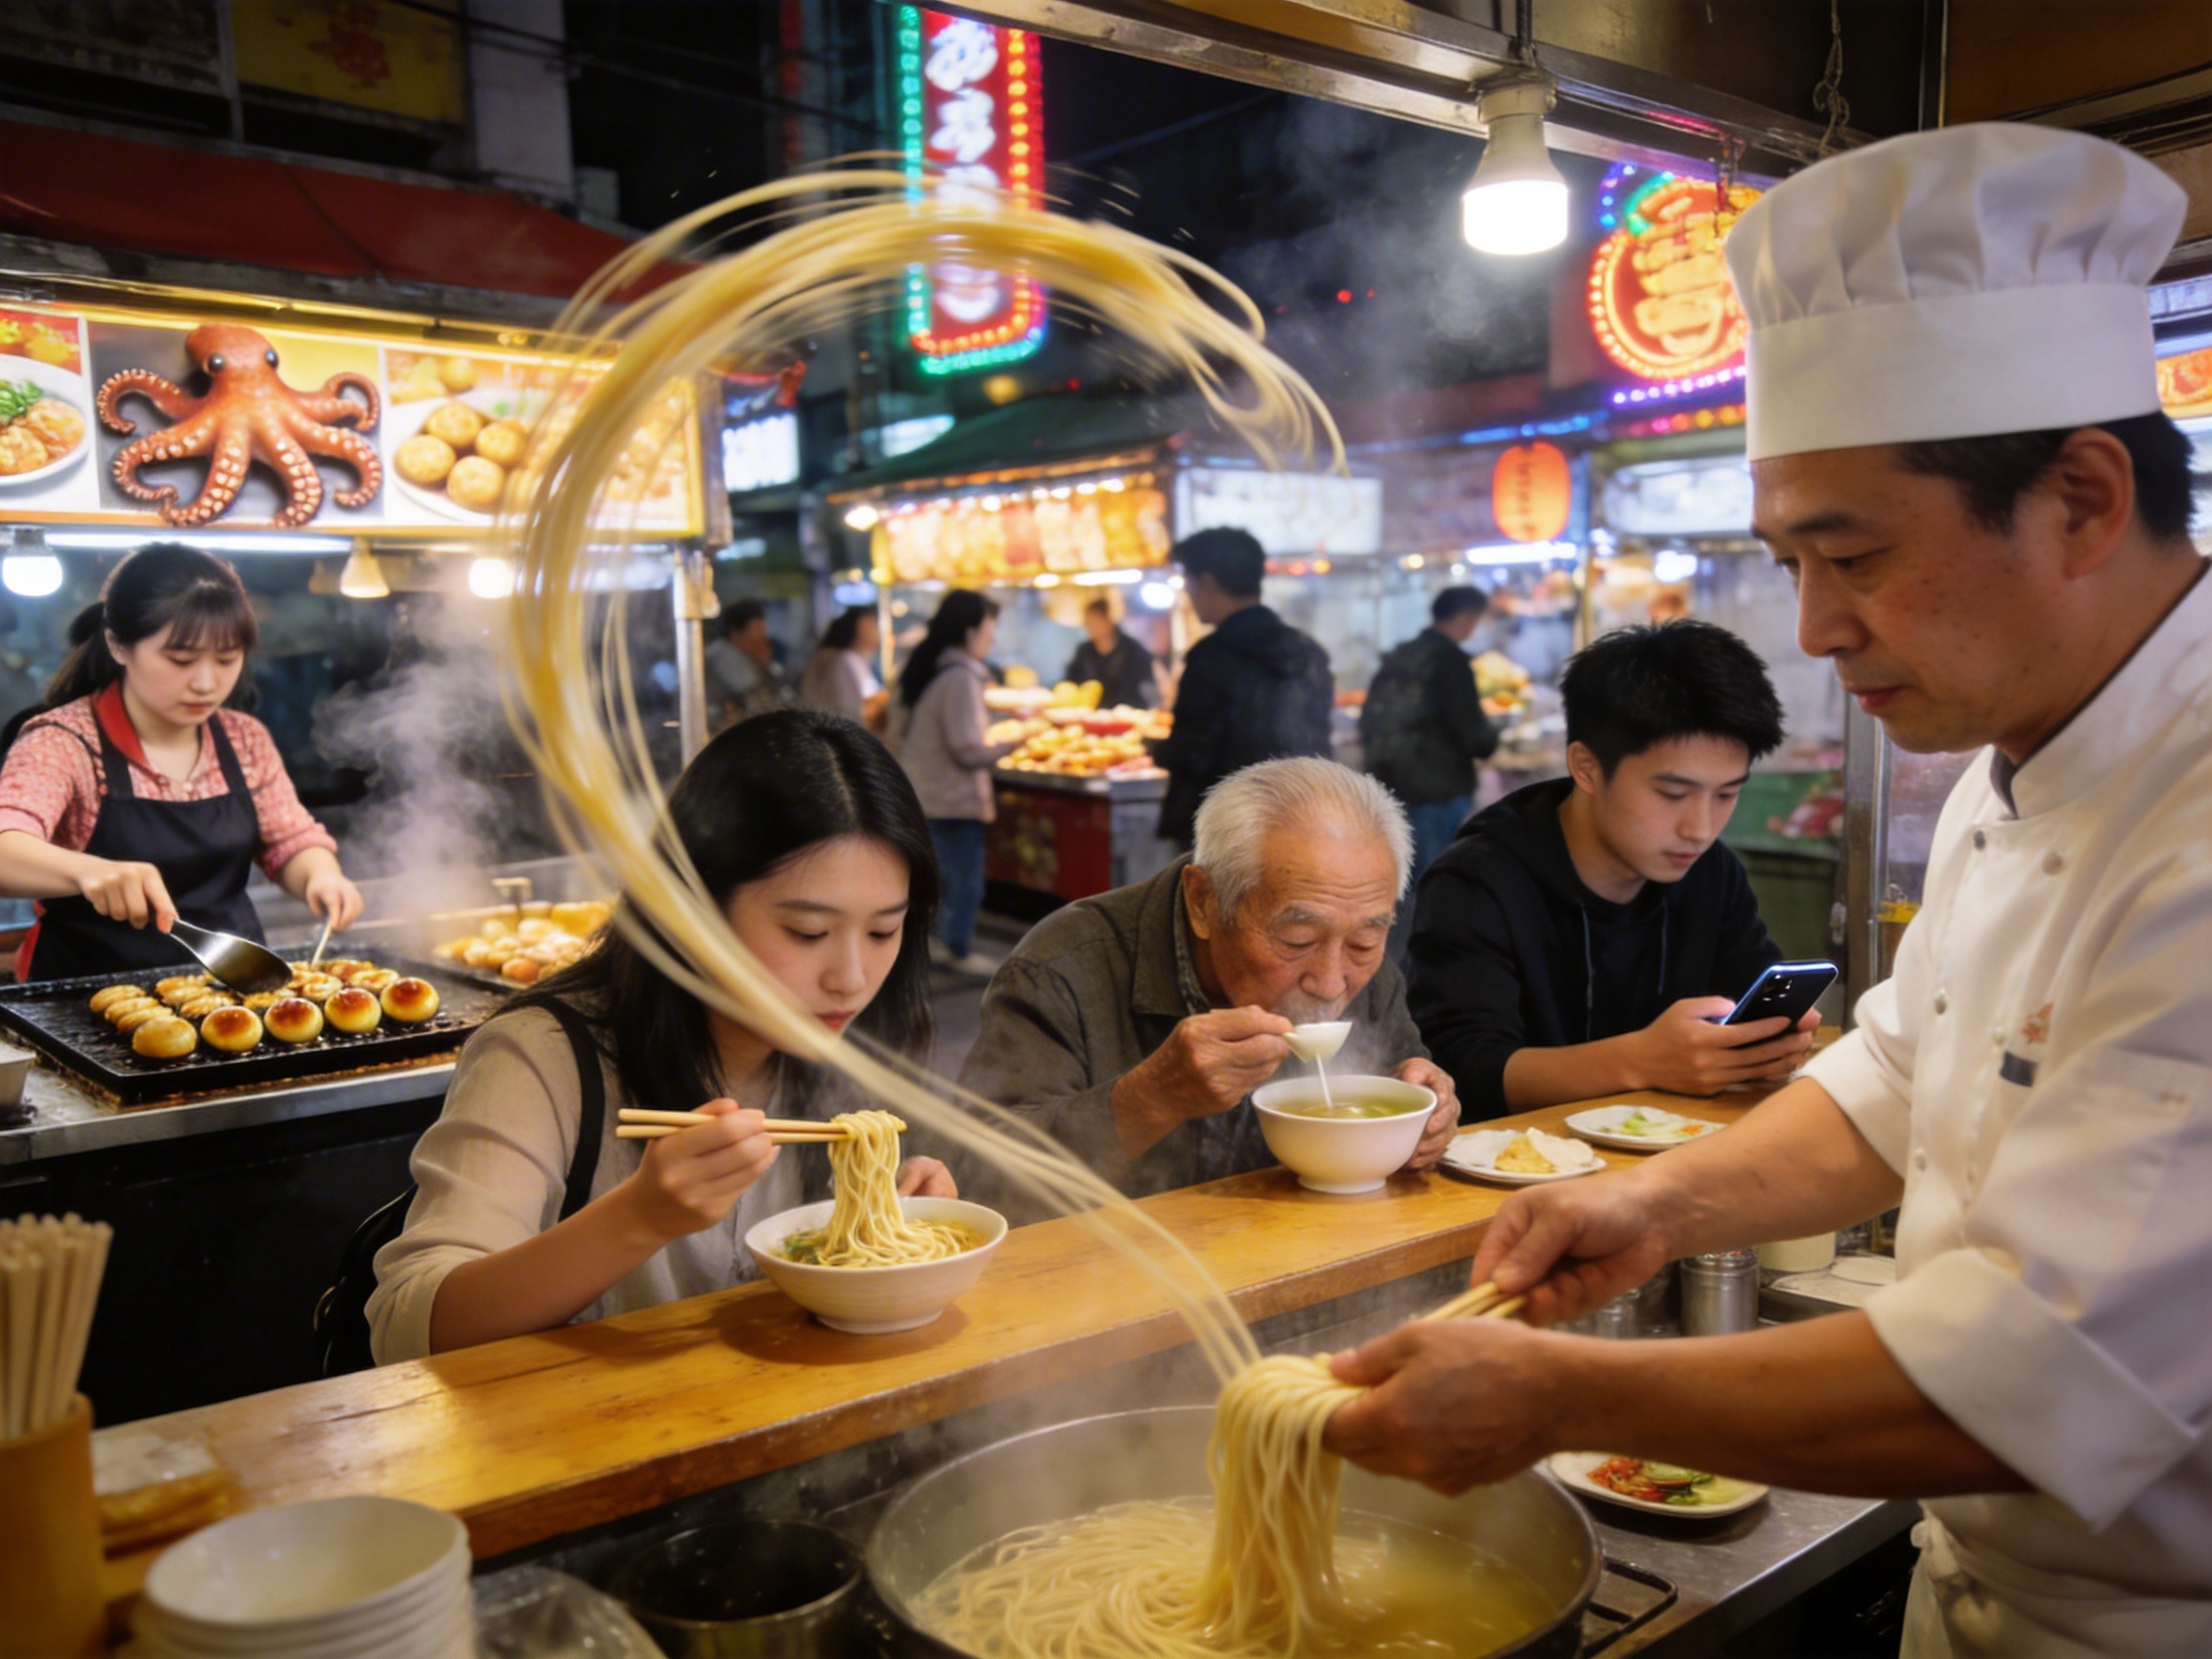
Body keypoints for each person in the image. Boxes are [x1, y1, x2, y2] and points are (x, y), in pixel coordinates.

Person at [1322, 125, 2212, 1659]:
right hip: (1986, 1594)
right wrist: (1643, 1200)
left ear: (2079, 498)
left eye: (1850, 554)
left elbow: (2046, 1376)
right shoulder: (2028, 765)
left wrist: (1565, 1392)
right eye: (1786, 559)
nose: (1814, 629)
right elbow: (1894, 1076)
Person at [368, 709, 956, 1362]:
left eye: (883, 932)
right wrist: (639, 1217)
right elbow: (407, 1329)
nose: (851, 979)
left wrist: (898, 1232)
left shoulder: (849, 1050)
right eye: (808, 933)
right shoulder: (542, 1055)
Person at [959, 757, 1459, 1212]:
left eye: (1365, 942)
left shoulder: (1359, 969)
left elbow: (1407, 1078)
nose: (1330, 983)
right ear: (1202, 902)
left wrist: (1426, 1116)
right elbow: (972, 1180)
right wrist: (1153, 1096)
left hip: (1304, 1265)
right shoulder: (1065, 968)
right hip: (1118, 1285)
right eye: (1297, 937)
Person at [1407, 619, 1806, 1123]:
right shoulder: (1477, 881)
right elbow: (1464, 1070)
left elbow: (1745, 997)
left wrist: (1765, 1045)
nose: (1701, 828)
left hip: (1673, 1167)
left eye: (1727, 794)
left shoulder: (1712, 874)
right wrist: (1642, 1061)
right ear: (1587, 767)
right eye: (1673, 795)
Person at [0, 542, 363, 980]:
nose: (207, 683)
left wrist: (320, 877)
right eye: (181, 659)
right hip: (85, 998)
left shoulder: (244, 739)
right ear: (118, 644)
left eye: (227, 659)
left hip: (233, 988)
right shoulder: (64, 741)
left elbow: (290, 840)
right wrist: (87, 871)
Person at [1150, 528, 1333, 846]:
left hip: (1225, 830)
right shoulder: (1307, 650)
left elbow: (1193, 753)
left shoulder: (1213, 656)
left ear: (1207, 581)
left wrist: (1155, 749)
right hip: (1297, 819)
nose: (1189, 595)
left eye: (1188, 582)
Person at [890, 589, 1017, 975]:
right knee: (963, 884)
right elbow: (967, 749)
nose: (991, 636)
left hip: (925, 795)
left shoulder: (929, 667)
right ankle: (955, 950)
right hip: (952, 799)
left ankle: (937, 949)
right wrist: (1016, 740)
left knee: (938, 882)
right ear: (969, 629)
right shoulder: (961, 677)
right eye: (988, 626)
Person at [1359, 585, 1500, 882]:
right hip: (1437, 787)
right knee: (1430, 881)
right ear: (1466, 618)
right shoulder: (1450, 660)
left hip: (1391, 782)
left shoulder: (1403, 653)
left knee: (1400, 877)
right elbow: (1471, 732)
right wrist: (1494, 737)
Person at [704, 598, 788, 731]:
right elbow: (761, 706)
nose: (763, 636)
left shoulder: (747, 657)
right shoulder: (724, 657)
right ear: (736, 634)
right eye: (757, 629)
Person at [797, 606, 887, 730]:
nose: (879, 631)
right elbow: (850, 709)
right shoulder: (843, 660)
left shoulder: (837, 657)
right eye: (874, 624)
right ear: (860, 627)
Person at [1063, 595, 1157, 709]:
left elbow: (1148, 677)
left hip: (1129, 712)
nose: (1092, 625)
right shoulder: (1084, 651)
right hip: (1091, 714)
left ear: (1108, 619)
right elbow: (1071, 682)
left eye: (1096, 619)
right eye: (1089, 621)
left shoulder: (1132, 648)